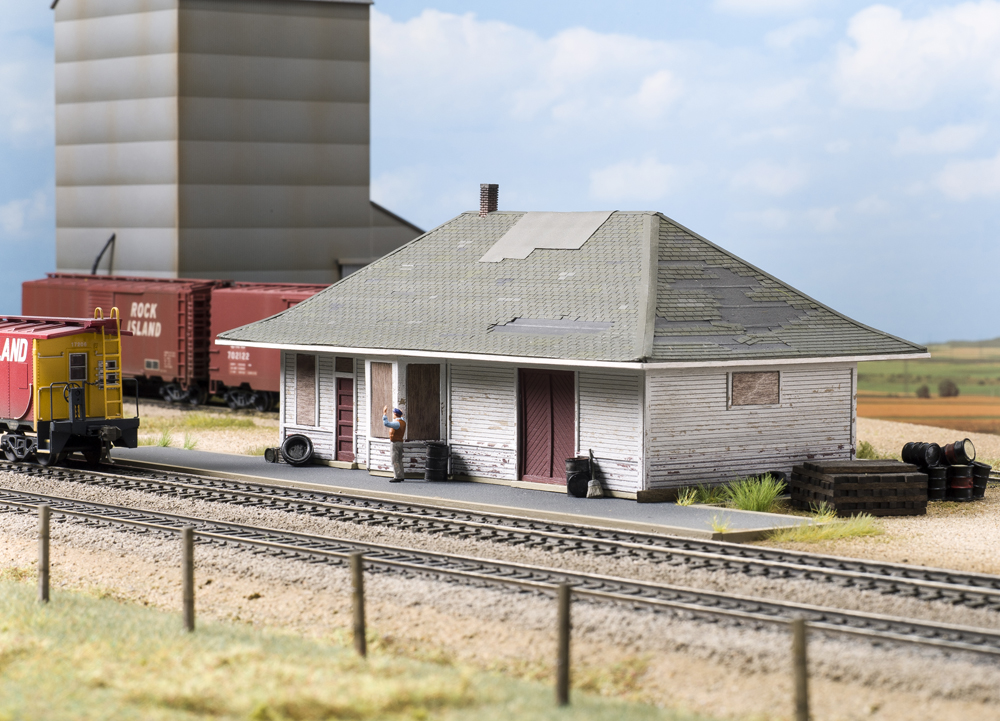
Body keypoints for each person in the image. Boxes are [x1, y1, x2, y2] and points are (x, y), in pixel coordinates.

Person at [383, 405, 406, 482]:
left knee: (394, 460)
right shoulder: (402, 422)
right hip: (400, 442)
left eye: (393, 413)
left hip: (395, 443)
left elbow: (386, 424)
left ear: (395, 414)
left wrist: (384, 414)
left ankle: (397, 476)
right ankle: (401, 475)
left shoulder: (397, 423)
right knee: (399, 459)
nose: (392, 415)